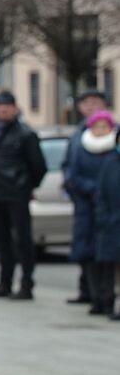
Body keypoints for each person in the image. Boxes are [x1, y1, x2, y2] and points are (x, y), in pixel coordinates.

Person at [0, 91, 47, 300]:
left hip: (17, 195)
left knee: (23, 240)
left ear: (15, 108)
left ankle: (27, 284)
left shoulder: (26, 134)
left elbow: (38, 166)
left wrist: (25, 186)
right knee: (1, 241)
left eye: (7, 106)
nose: (2, 109)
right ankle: (5, 282)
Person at [69, 111, 118, 314]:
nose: (100, 130)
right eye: (96, 126)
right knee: (88, 253)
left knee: (109, 256)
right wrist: (91, 189)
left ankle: (108, 298)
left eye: (104, 126)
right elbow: (74, 176)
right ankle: (94, 295)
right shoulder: (82, 148)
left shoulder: (113, 153)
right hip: (86, 208)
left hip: (111, 210)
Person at [63, 89, 109, 304]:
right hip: (83, 201)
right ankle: (87, 291)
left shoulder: (113, 132)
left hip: (108, 202)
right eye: (86, 103)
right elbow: (69, 167)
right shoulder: (78, 135)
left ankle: (105, 294)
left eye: (95, 102)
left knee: (105, 248)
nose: (90, 107)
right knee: (84, 246)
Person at [95, 128, 120, 321]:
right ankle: (108, 301)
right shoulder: (109, 163)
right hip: (112, 223)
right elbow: (101, 194)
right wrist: (104, 218)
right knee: (111, 266)